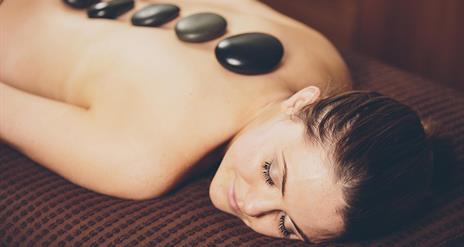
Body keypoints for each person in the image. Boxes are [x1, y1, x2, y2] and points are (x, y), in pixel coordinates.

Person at [0, 0, 435, 244]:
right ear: (302, 103)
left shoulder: (323, 59)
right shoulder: (143, 160)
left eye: (286, 226)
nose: (252, 206)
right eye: (271, 173)